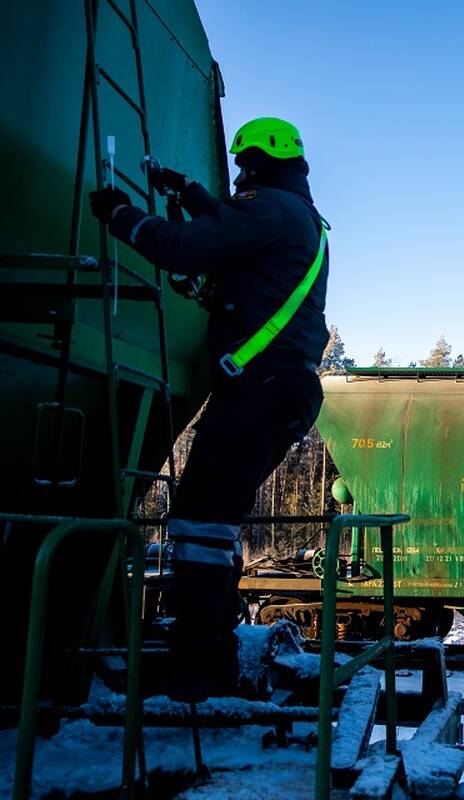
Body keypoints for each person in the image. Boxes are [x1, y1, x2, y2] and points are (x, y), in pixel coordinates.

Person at [89, 117, 329, 700]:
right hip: (278, 389)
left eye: (244, 164)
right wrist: (191, 193)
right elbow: (235, 228)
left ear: (257, 163)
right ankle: (205, 657)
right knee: (211, 518)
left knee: (201, 517)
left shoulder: (269, 209)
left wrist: (120, 214)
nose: (240, 175)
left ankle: (199, 668)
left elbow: (186, 245)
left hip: (261, 389)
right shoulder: (295, 213)